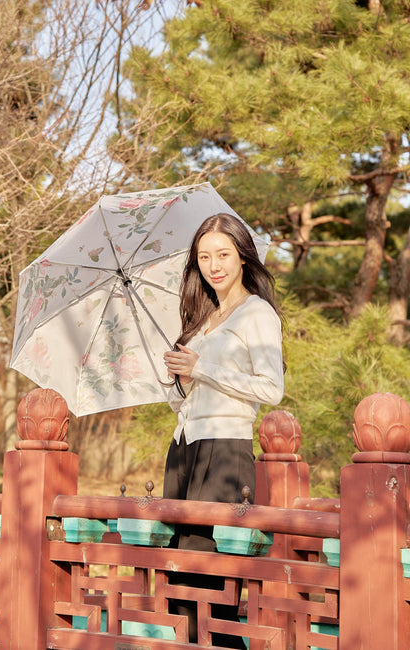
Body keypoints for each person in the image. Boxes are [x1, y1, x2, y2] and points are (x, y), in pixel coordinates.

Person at [162, 212, 284, 648]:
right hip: (184, 448)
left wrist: (204, 367)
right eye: (204, 256)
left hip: (225, 449)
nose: (214, 265)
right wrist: (181, 380)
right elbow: (188, 401)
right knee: (178, 565)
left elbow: (272, 389)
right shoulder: (203, 319)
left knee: (208, 570)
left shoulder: (257, 313)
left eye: (223, 255)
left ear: (243, 257)